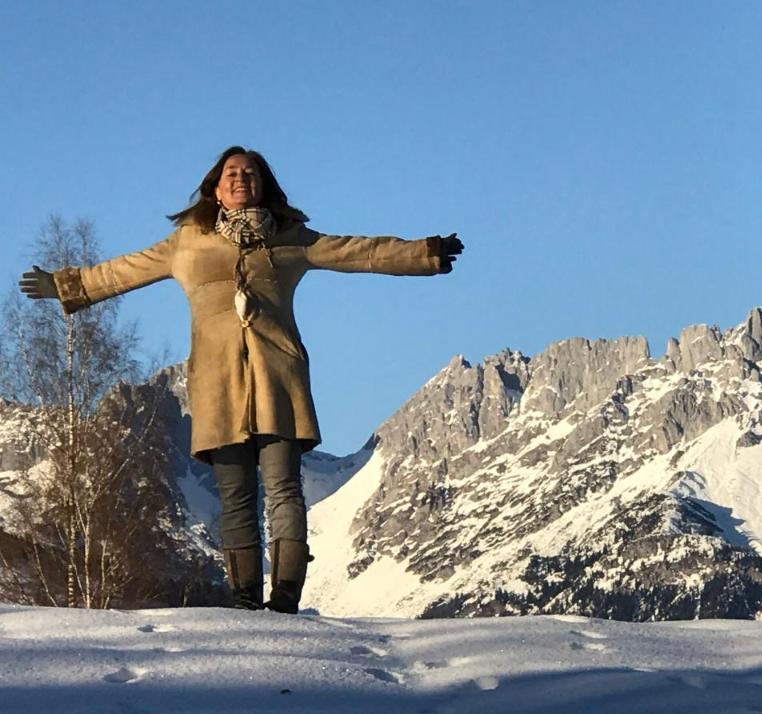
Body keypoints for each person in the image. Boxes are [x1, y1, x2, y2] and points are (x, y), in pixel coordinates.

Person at [19, 146, 464, 613]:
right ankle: (245, 599)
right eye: (231, 173)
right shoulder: (187, 242)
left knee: (284, 489)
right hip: (217, 385)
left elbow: (359, 252)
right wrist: (67, 285)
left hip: (279, 380)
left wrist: (425, 253)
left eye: (249, 173)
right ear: (214, 188)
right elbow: (124, 270)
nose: (240, 178)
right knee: (236, 497)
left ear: (263, 186)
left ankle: (286, 597)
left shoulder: (291, 240)